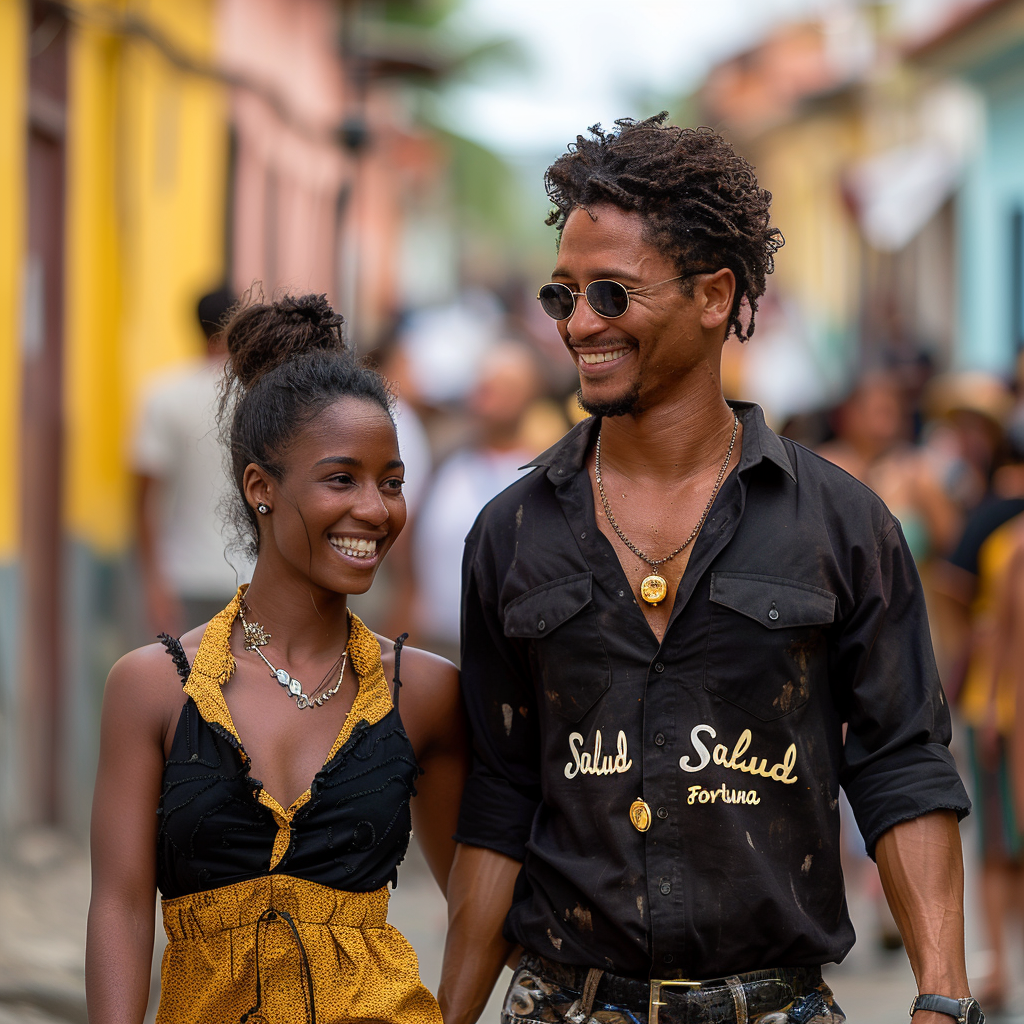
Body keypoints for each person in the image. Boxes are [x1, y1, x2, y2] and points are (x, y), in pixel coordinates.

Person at [439, 116, 978, 1024]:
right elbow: (503, 799)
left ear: (714, 295)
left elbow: (900, 767)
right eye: (561, 295)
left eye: (611, 294)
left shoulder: (842, 526)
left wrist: (944, 995)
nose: (578, 325)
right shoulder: (511, 533)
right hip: (568, 1005)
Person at [86, 294, 467, 1024]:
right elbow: (120, 905)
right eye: (340, 479)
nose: (376, 510)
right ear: (261, 488)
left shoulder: (422, 691)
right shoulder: (154, 688)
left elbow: (481, 892)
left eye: (392, 482)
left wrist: (455, 1010)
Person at [411, 341, 543, 661]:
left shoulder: (542, 472)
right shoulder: (446, 456)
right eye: (484, 386)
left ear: (529, 395)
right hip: (433, 641)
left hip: (506, 652)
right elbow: (410, 537)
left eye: (503, 387)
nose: (488, 397)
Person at [132, 286, 251, 636]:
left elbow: (143, 499)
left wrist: (153, 580)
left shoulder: (164, 394)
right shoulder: (258, 395)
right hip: (251, 575)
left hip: (182, 574)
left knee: (186, 684)